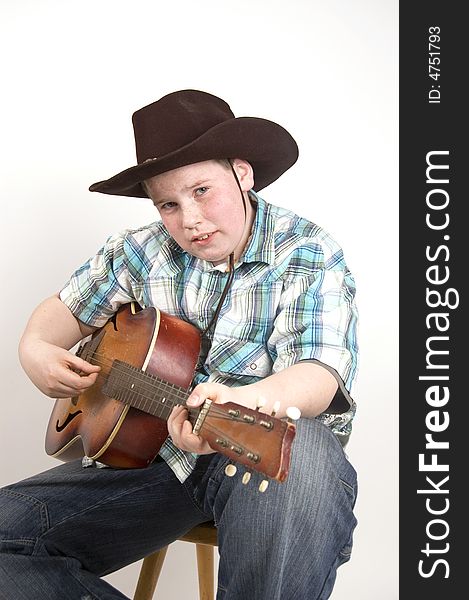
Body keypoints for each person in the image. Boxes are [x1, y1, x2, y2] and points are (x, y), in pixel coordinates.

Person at [0, 89, 359, 599]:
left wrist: (244, 399)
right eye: (168, 203)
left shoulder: (306, 251)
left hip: (260, 456)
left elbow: (320, 373)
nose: (188, 219)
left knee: (300, 454)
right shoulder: (139, 251)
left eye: (202, 191)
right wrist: (33, 347)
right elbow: (63, 311)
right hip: (152, 465)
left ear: (243, 173)